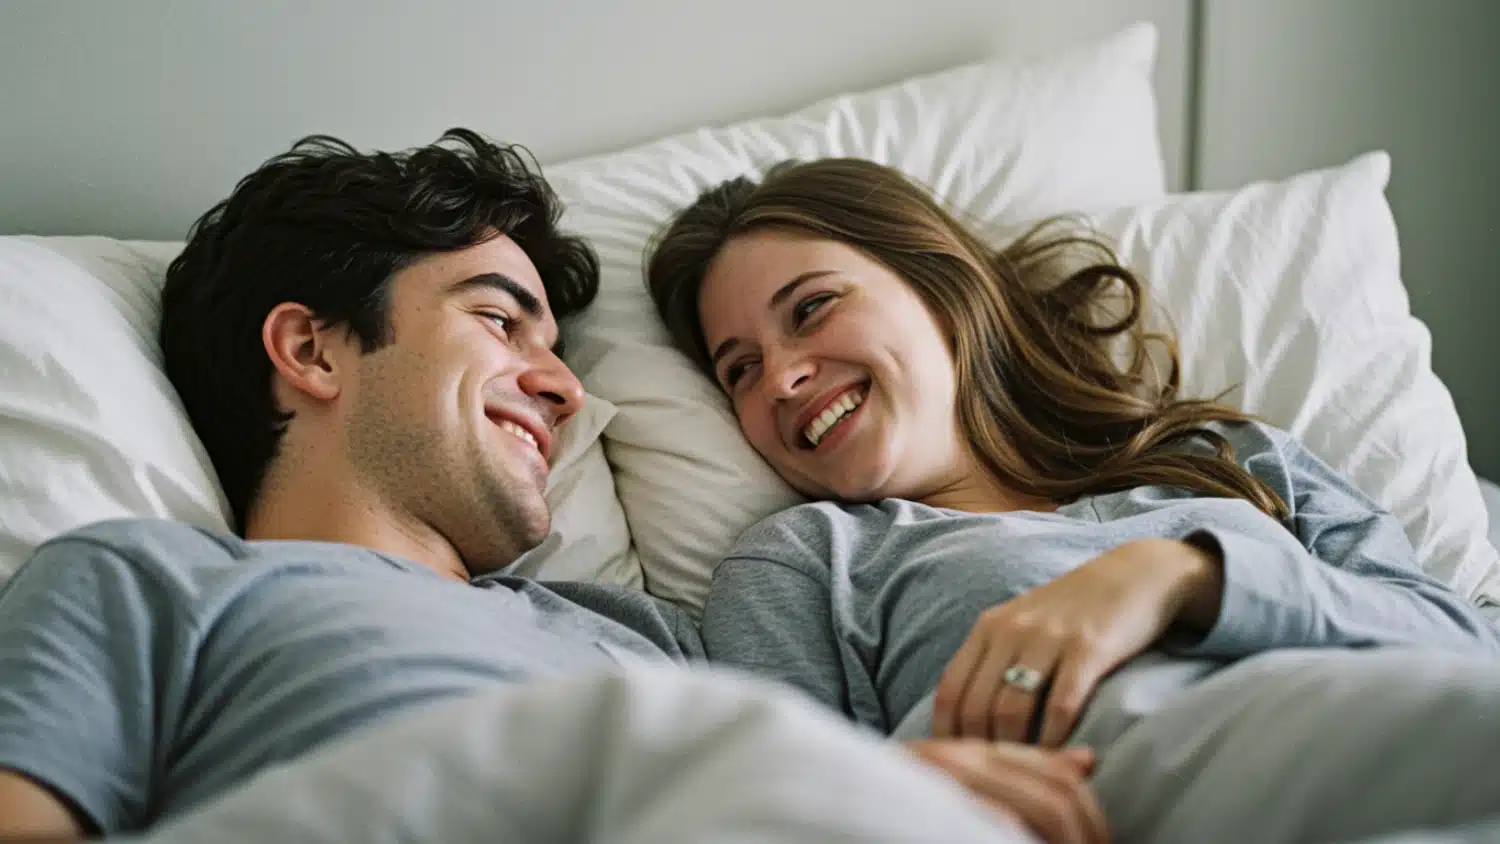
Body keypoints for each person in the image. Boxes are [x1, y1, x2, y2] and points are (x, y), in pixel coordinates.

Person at [0, 131, 1085, 844]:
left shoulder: (651, 638)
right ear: (312, 351)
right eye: (496, 318)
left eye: (554, 342)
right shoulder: (141, 585)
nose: (565, 385)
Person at [646, 157, 1500, 844]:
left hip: (1390, 725)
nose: (785, 377)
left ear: (938, 284)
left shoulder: (1228, 457)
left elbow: (1463, 641)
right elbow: (773, 800)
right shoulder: (803, 558)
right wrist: (910, 787)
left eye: (812, 308)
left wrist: (1186, 577)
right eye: (740, 370)